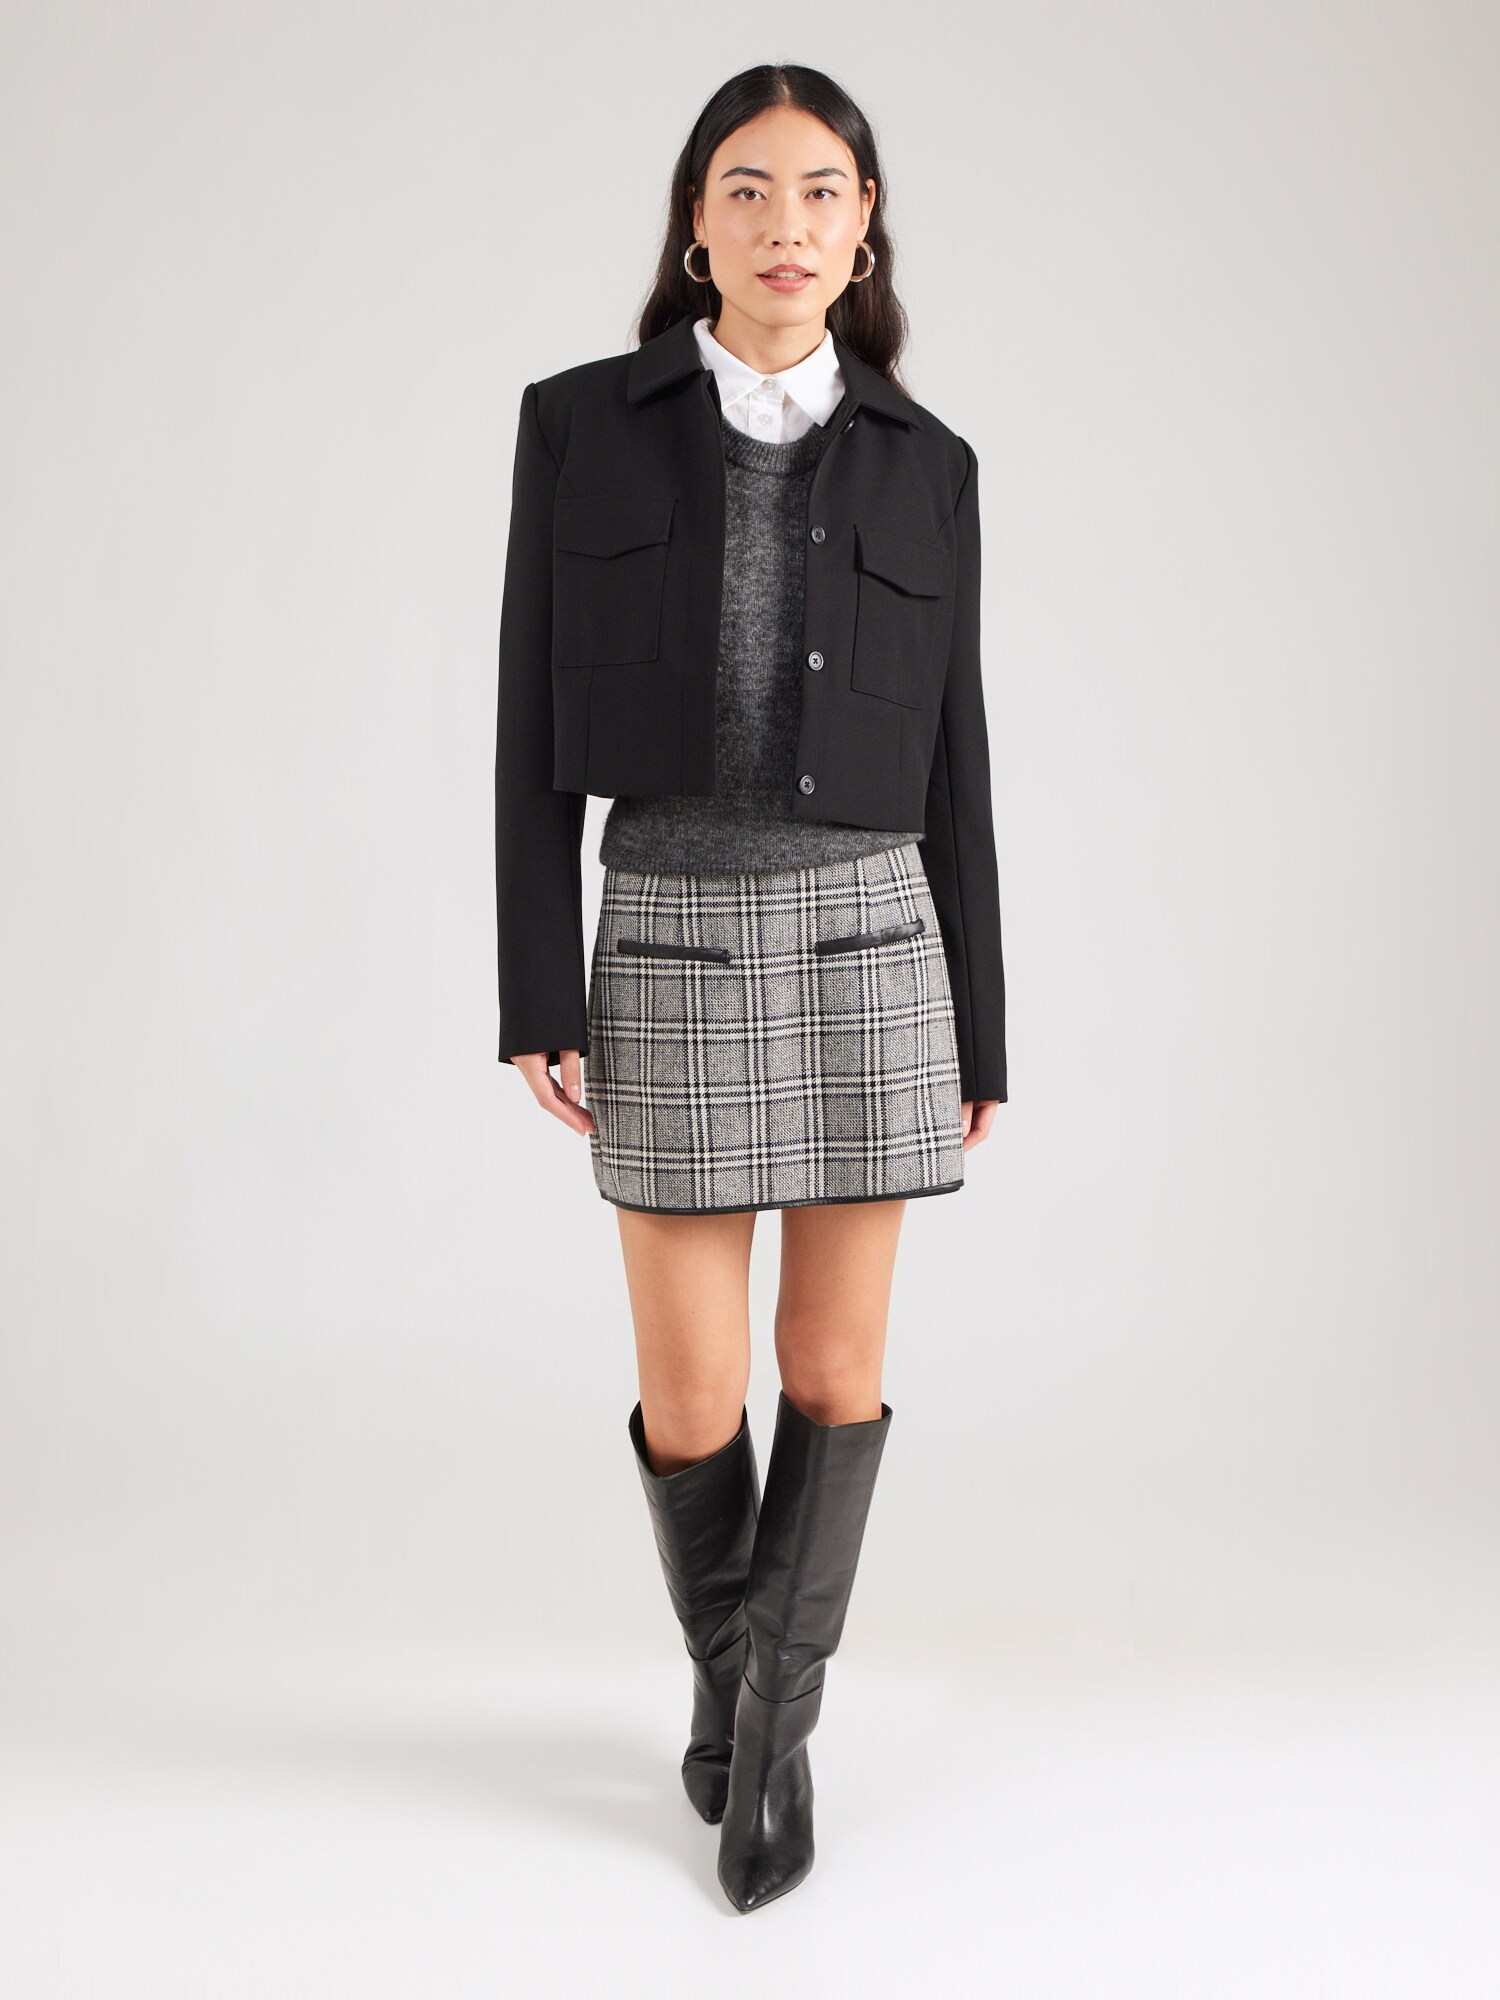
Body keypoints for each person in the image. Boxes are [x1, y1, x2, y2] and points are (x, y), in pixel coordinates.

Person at [493, 63, 1007, 1912]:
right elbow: (525, 725)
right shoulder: (582, 427)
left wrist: (986, 1024)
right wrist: (537, 985)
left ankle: (766, 1738)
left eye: (822, 192)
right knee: (695, 1393)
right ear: (696, 224)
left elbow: (955, 760)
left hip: (875, 944)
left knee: (833, 1372)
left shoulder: (929, 464)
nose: (786, 225)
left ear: (865, 230)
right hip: (670, 935)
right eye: (748, 189)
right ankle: (740, 1685)